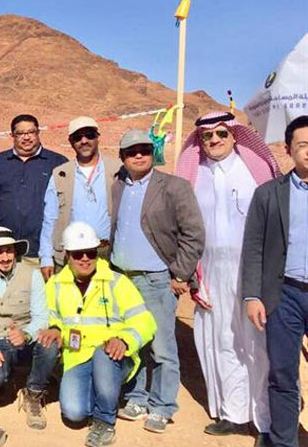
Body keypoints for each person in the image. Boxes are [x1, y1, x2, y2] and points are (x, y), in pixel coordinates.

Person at [176, 111, 278, 440]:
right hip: (209, 272)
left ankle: (264, 419)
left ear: (235, 135)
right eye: (207, 136)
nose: (215, 140)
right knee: (220, 341)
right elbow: (185, 228)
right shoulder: (194, 174)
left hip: (252, 271)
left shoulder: (254, 169)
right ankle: (233, 412)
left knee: (257, 345)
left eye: (221, 133)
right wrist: (193, 274)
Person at [111, 129, 205, 433]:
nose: (139, 155)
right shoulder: (118, 185)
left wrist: (180, 273)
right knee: (134, 342)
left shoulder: (174, 187)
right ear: (122, 157)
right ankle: (137, 397)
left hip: (156, 281)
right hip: (122, 279)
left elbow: (193, 234)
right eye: (131, 151)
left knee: (162, 347)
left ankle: (162, 406)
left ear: (153, 153)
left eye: (145, 150)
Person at [40, 221, 156, 447]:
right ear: (67, 255)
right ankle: (105, 393)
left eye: (90, 252)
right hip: (77, 357)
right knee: (74, 413)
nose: (85, 259)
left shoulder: (117, 282)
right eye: (78, 254)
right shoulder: (55, 284)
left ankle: (105, 421)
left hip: (112, 357)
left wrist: (124, 340)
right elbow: (49, 317)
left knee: (104, 356)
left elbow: (144, 320)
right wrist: (55, 328)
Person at [242, 115, 308, 447]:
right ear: (288, 149)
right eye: (303, 144)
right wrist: (252, 295)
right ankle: (284, 440)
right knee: (283, 373)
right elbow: (253, 246)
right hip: (285, 296)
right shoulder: (268, 194)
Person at [0, 226, 57, 430]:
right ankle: (4, 377)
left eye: (9, 250)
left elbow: (42, 317)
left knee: (50, 344)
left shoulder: (32, 275)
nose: (5, 257)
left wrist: (27, 334)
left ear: (15, 252)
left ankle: (34, 392)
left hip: (24, 341)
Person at [40, 116, 122, 279]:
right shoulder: (60, 174)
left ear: (98, 137)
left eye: (89, 135)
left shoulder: (118, 170)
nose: (84, 141)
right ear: (71, 141)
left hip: (109, 253)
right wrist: (46, 257)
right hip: (71, 254)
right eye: (78, 137)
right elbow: (50, 218)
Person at [0, 114, 67, 260]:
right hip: (4, 251)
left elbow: (66, 205)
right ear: (12, 135)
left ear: (38, 133)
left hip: (43, 251)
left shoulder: (57, 163)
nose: (26, 137)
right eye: (20, 133)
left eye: (31, 132)